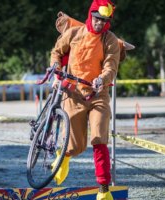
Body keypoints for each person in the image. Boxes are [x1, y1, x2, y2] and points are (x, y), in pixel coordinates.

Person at [50, 0, 120, 199]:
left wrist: (102, 79)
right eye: (97, 19)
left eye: (104, 20)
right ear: (91, 16)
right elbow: (57, 51)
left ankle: (103, 189)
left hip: (99, 94)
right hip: (73, 93)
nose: (99, 23)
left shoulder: (110, 39)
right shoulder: (74, 34)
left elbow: (111, 66)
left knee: (99, 138)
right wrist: (56, 67)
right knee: (75, 146)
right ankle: (63, 157)